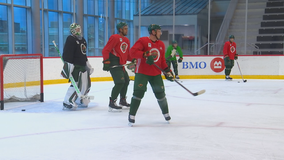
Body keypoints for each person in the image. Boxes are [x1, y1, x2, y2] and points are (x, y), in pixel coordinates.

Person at [128, 24, 174, 125]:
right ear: (153, 32)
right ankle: (132, 115)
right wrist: (144, 54)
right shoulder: (143, 41)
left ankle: (166, 113)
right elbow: (132, 52)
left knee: (160, 93)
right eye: (158, 31)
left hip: (155, 73)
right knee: (138, 93)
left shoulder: (161, 44)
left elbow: (162, 60)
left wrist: (167, 71)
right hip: (142, 72)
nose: (160, 33)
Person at [62, 23, 94, 110]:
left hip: (82, 66)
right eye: (77, 29)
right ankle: (67, 101)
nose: (79, 31)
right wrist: (68, 67)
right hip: (75, 66)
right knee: (76, 84)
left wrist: (87, 64)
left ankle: (82, 99)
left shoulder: (83, 40)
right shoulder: (70, 39)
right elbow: (67, 55)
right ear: (72, 30)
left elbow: (83, 54)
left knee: (86, 84)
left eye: (79, 29)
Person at [102, 22, 132, 112]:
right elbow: (105, 50)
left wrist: (134, 59)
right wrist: (106, 61)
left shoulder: (126, 40)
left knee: (126, 81)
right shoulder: (115, 37)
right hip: (114, 64)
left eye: (127, 28)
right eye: (125, 28)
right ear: (120, 29)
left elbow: (126, 54)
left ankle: (122, 100)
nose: (127, 30)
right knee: (120, 82)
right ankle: (112, 102)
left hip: (121, 65)